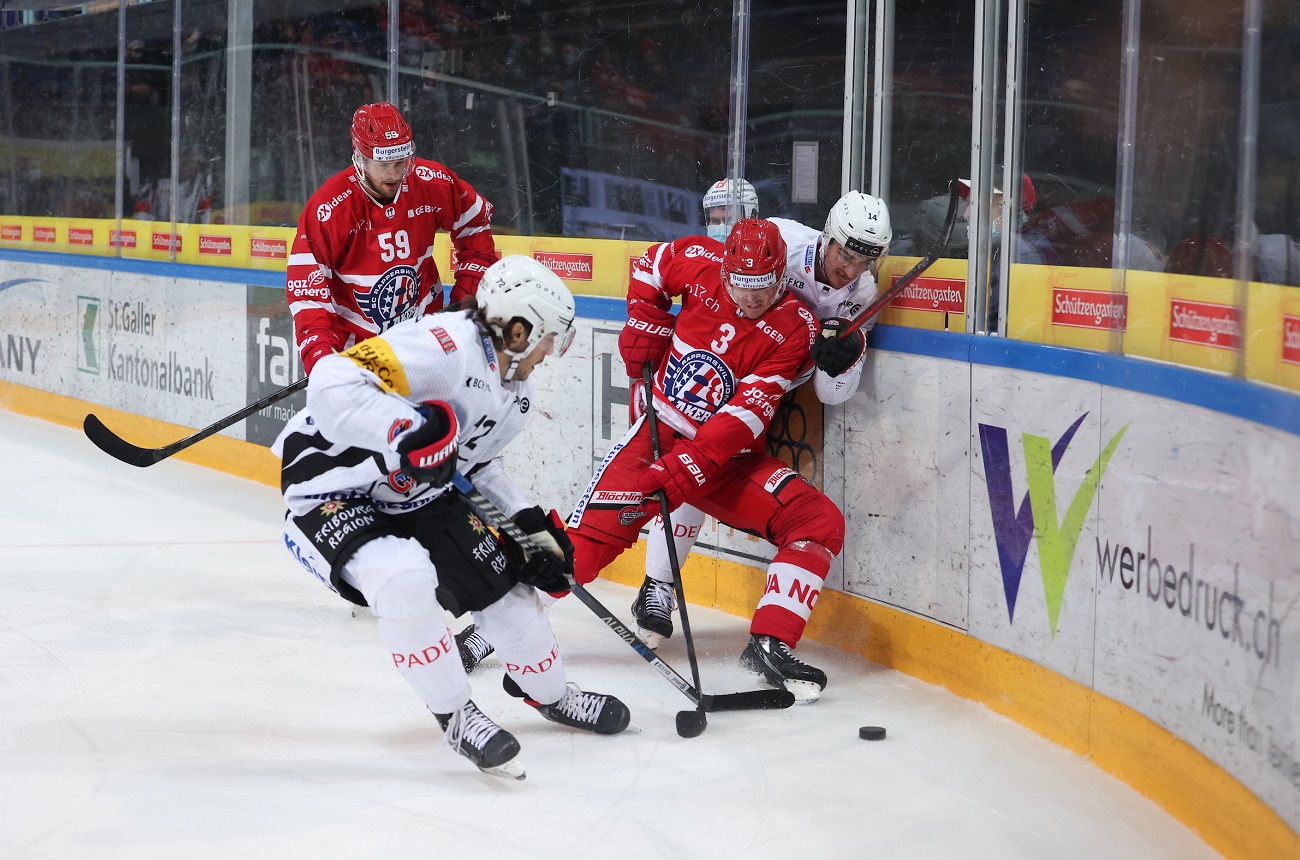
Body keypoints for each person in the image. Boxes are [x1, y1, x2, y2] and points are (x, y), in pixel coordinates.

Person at [273, 255, 631, 780]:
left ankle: (551, 696)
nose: (551, 352)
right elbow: (331, 381)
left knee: (512, 597)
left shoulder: (516, 394)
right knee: (405, 579)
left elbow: (478, 464)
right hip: (336, 488)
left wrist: (526, 523)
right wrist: (407, 429)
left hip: (418, 496)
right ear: (518, 327)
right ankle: (457, 715)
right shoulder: (443, 345)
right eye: (549, 337)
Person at [568, 219, 843, 702]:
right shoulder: (699, 259)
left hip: (727, 462)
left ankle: (770, 644)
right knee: (580, 557)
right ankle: (488, 627)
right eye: (741, 284)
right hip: (653, 440)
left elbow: (744, 415)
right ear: (726, 268)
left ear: (781, 275)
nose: (752, 298)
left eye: (764, 287)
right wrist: (644, 322)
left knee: (817, 521)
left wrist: (685, 468)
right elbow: (649, 267)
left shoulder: (795, 327)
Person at [627, 191, 891, 655]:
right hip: (718, 365)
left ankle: (665, 587)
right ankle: (658, 585)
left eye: (863, 262)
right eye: (845, 254)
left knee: (709, 464)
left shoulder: (863, 295)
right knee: (692, 457)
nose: (850, 270)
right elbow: (715, 273)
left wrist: (847, 356)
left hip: (770, 382)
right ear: (827, 235)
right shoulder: (781, 238)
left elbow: (832, 394)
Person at [286, 102, 498, 375]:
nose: (394, 174)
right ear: (360, 159)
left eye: (400, 162)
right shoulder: (330, 207)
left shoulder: (430, 182)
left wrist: (465, 299)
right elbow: (308, 290)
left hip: (426, 340)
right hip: (360, 355)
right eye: (384, 164)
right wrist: (321, 356)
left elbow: (475, 223)